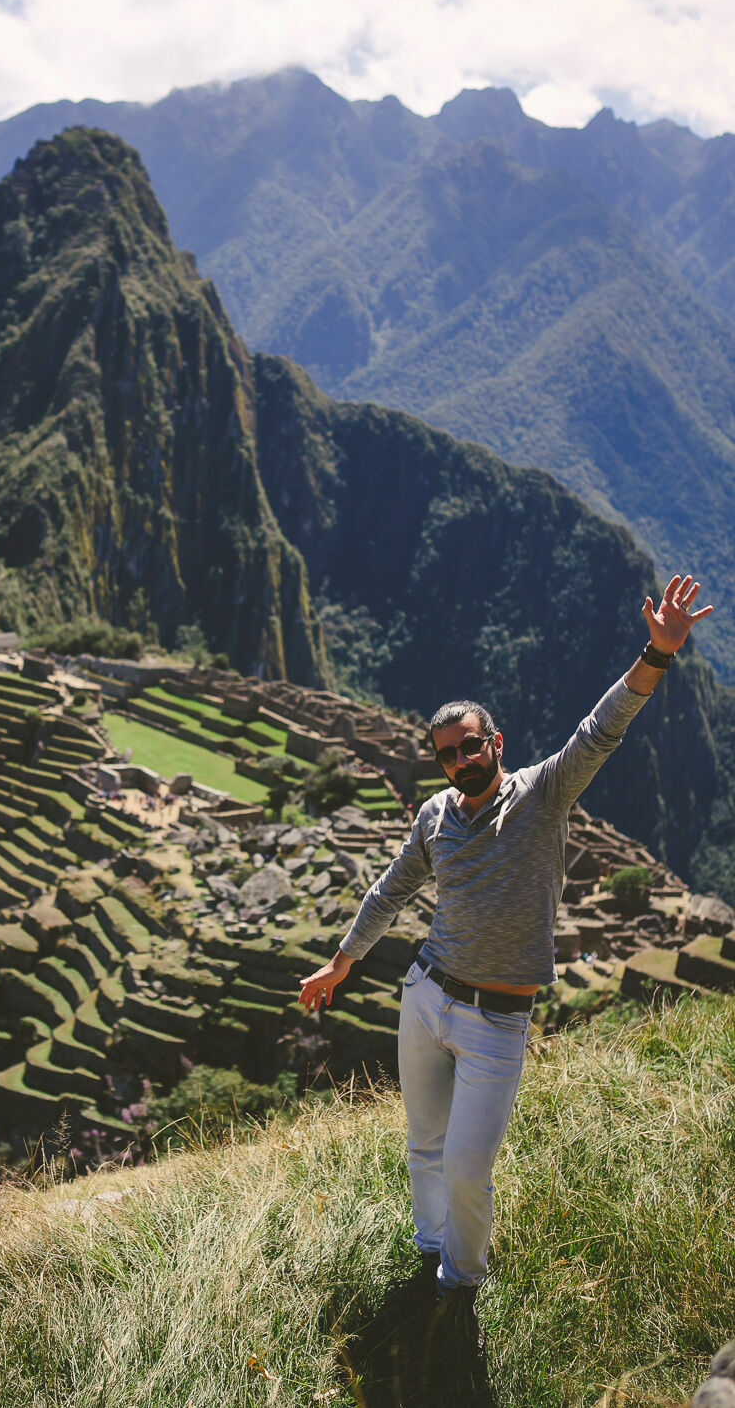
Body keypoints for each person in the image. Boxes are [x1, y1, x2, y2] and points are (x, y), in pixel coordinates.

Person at [297, 575, 713, 1351]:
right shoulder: (434, 815)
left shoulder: (544, 794)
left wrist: (656, 653)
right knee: (421, 1145)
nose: (459, 761)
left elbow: (601, 729)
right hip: (427, 993)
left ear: (496, 742)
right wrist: (341, 964)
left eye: (469, 747)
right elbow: (390, 892)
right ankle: (430, 1253)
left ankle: (463, 1283)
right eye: (446, 754)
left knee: (465, 1167)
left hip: (498, 1019)